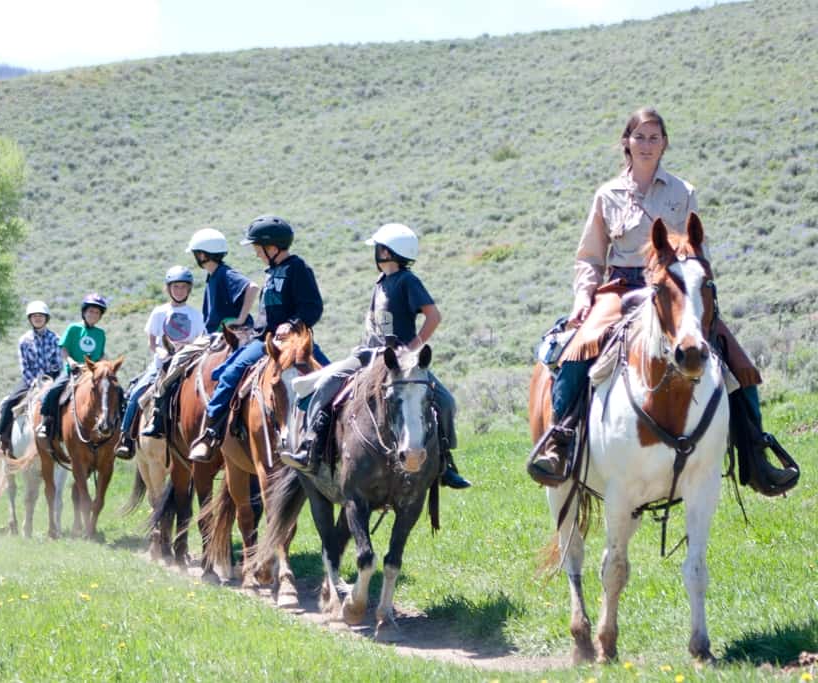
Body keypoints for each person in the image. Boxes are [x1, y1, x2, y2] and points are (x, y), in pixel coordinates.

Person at [527, 106, 797, 494]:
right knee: (576, 348)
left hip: (674, 289)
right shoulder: (607, 195)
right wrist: (583, 299)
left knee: (737, 359)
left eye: (655, 137)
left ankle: (756, 454)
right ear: (626, 143)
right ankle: (561, 440)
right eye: (640, 137)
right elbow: (589, 257)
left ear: (665, 143)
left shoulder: (683, 192)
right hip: (621, 287)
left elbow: (696, 249)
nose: (647, 145)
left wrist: (698, 294)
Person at [279, 223, 470, 489]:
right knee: (326, 384)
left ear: (390, 251)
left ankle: (445, 464)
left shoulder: (408, 281)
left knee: (446, 402)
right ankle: (310, 447)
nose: (376, 253)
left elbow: (433, 317)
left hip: (399, 361)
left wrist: (413, 346)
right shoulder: (381, 282)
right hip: (368, 354)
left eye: (379, 248)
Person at [188, 215, 330, 462]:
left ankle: (331, 440)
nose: (256, 253)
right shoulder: (271, 271)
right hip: (264, 340)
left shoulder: (298, 269)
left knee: (331, 377)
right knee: (230, 373)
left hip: (293, 343)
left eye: (257, 248)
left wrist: (292, 323)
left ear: (272, 247)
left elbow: (312, 308)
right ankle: (210, 432)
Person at [137, 228, 259, 441]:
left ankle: (158, 418)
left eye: (196, 253)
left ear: (202, 254)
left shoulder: (223, 273)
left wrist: (240, 319)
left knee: (176, 362)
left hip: (225, 337)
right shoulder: (213, 277)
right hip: (215, 335)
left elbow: (252, 287)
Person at [115, 267, 206, 456]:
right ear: (168, 289)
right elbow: (152, 342)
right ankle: (126, 438)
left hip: (186, 365)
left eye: (183, 287)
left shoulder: (196, 315)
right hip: (160, 366)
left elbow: (200, 341)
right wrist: (162, 352)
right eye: (176, 287)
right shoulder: (159, 312)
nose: (179, 290)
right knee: (135, 395)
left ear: (189, 289)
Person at [35, 293, 109, 444]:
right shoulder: (73, 328)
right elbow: (63, 349)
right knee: (52, 392)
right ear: (84, 312)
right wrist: (71, 361)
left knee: (114, 392)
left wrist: (100, 366)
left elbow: (100, 355)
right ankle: (45, 423)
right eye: (90, 311)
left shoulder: (100, 333)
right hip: (72, 372)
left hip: (92, 374)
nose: (93, 315)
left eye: (97, 312)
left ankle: (117, 428)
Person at [0, 301, 61, 457]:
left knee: (65, 402)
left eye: (41, 316)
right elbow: (24, 366)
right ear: (30, 319)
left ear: (46, 318)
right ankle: (3, 441)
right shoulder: (24, 340)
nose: (37, 319)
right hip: (29, 380)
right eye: (34, 316)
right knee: (9, 402)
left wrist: (48, 382)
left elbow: (57, 364)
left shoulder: (55, 339)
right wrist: (35, 383)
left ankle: (66, 439)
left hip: (51, 380)